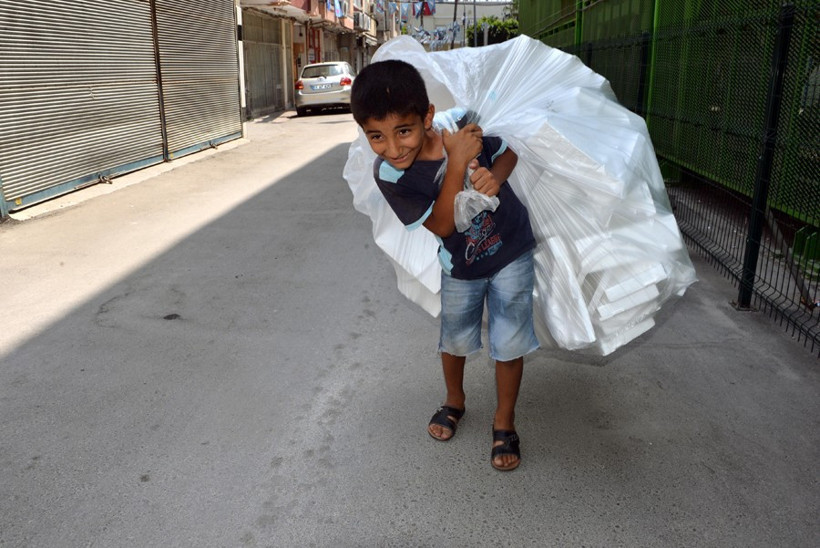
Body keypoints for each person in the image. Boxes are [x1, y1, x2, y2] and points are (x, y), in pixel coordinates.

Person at [350, 60, 539, 471]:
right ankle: (455, 400)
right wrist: (456, 163)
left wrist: (494, 177)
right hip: (461, 267)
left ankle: (504, 421)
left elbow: (508, 153)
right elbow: (440, 223)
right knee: (454, 339)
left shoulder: (462, 127)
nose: (393, 148)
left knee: (509, 339)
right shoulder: (389, 176)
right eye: (376, 136)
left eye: (404, 130)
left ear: (428, 116)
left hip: (512, 249)